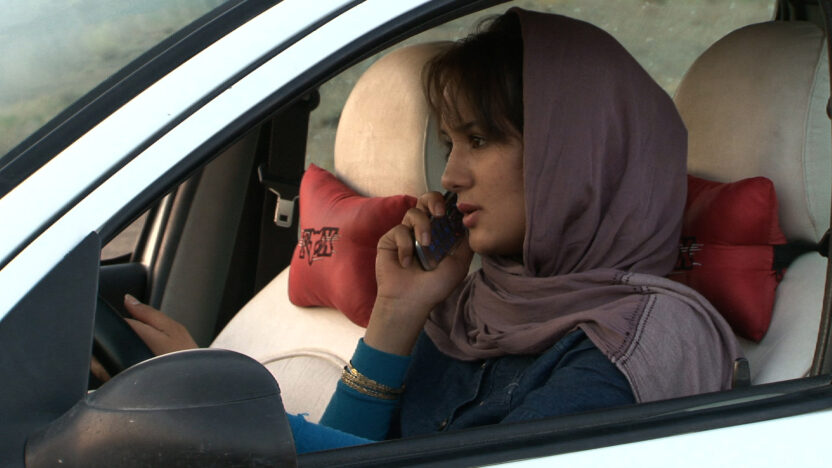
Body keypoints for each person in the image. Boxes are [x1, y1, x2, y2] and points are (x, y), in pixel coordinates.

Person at [120, 9, 742, 452]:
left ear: (577, 157)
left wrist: (221, 409)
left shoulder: (646, 339)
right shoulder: (476, 303)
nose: (449, 175)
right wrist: (396, 312)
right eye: (449, 144)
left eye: (480, 140)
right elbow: (350, 444)